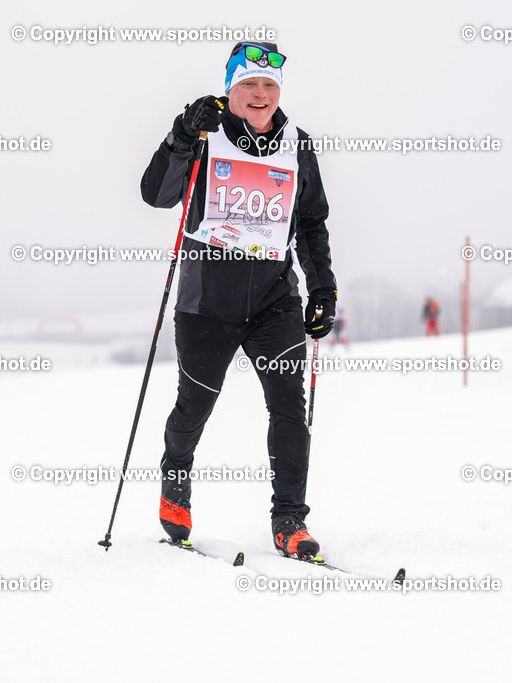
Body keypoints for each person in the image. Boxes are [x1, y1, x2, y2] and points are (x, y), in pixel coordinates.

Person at [140, 42, 337, 560]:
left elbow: (311, 222)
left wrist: (323, 287)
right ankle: (175, 480)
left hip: (275, 300)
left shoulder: (298, 145)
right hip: (208, 301)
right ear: (230, 90)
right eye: (249, 84)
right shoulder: (203, 134)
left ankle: (289, 520)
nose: (260, 94)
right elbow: (157, 195)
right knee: (195, 405)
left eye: (269, 86)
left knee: (289, 409)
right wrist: (181, 136)